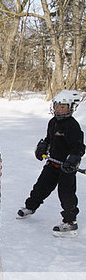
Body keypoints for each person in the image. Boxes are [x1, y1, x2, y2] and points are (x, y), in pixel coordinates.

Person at [17, 90, 85, 237]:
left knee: (66, 194)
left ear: (71, 107)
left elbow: (78, 147)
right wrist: (43, 146)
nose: (59, 109)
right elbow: (49, 139)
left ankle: (70, 222)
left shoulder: (72, 126)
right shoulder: (53, 122)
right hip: (52, 164)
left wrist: (73, 159)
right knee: (40, 187)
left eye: (63, 107)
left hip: (66, 167)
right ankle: (30, 207)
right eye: (57, 106)